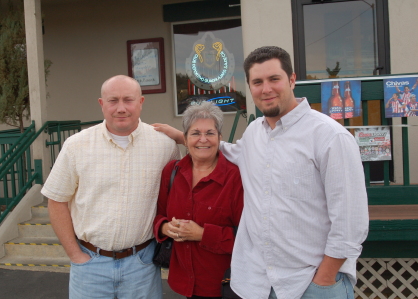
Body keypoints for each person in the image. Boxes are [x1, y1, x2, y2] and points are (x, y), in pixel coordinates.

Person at [153, 46, 369, 299]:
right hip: (258, 284)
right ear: (249, 87)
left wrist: (324, 278)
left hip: (310, 284)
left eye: (274, 79)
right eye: (257, 82)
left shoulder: (330, 137)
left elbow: (350, 223)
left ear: (291, 79)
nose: (266, 89)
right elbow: (222, 149)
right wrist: (183, 136)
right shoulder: (255, 133)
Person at [41, 75, 180, 299]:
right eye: (113, 100)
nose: (121, 108)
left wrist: (183, 137)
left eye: (128, 100)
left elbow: (177, 196)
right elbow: (56, 200)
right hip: (90, 266)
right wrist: (76, 255)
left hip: (142, 266)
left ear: (141, 102)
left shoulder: (165, 146)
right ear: (101, 104)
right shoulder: (76, 145)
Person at [153, 101, 244, 299]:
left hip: (225, 286)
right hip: (186, 283)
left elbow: (248, 237)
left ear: (220, 137)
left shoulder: (235, 177)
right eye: (195, 133)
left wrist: (203, 234)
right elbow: (158, 216)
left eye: (210, 133)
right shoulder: (172, 172)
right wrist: (165, 228)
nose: (203, 139)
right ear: (185, 138)